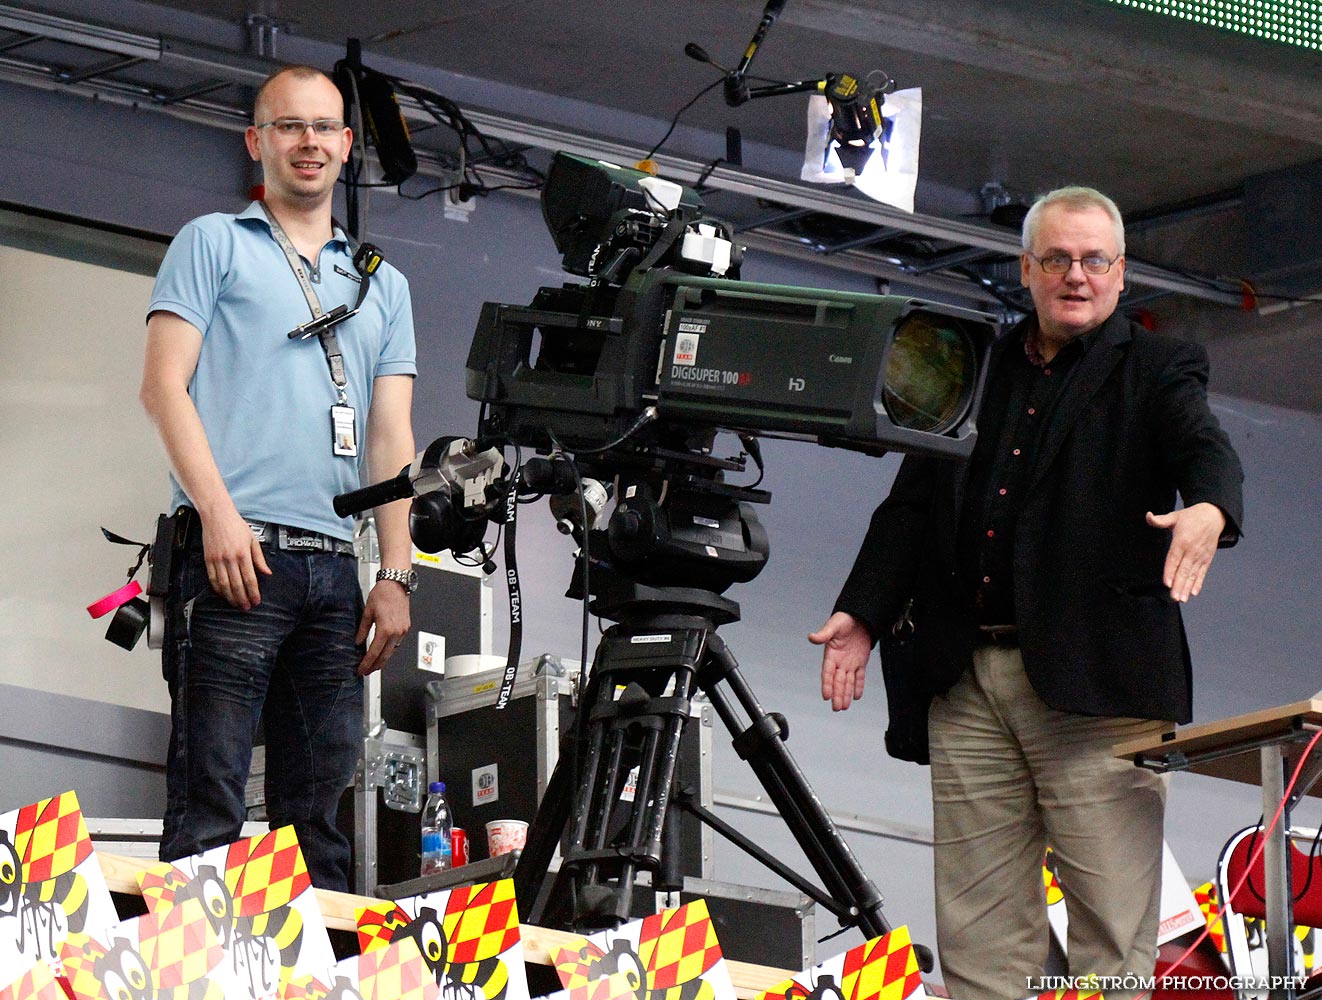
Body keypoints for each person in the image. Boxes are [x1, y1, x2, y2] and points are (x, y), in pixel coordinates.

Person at [810, 187, 1244, 1000]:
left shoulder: (1156, 367)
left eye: (1093, 261)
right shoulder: (971, 365)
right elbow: (912, 503)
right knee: (978, 935)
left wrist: (1212, 510)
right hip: (966, 678)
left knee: (1111, 934)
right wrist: (862, 614)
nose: (1075, 276)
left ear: (1120, 275)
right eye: (1057, 259)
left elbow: (1204, 446)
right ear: (1026, 270)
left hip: (1096, 689)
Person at [139, 64, 417, 891]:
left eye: (324, 127)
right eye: (289, 126)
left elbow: (389, 434)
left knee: (319, 820)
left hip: (337, 570)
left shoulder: (383, 284)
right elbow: (162, 386)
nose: (309, 142)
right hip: (233, 556)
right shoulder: (212, 241)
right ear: (256, 142)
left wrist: (395, 572)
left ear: (346, 145)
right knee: (210, 802)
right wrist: (217, 515)